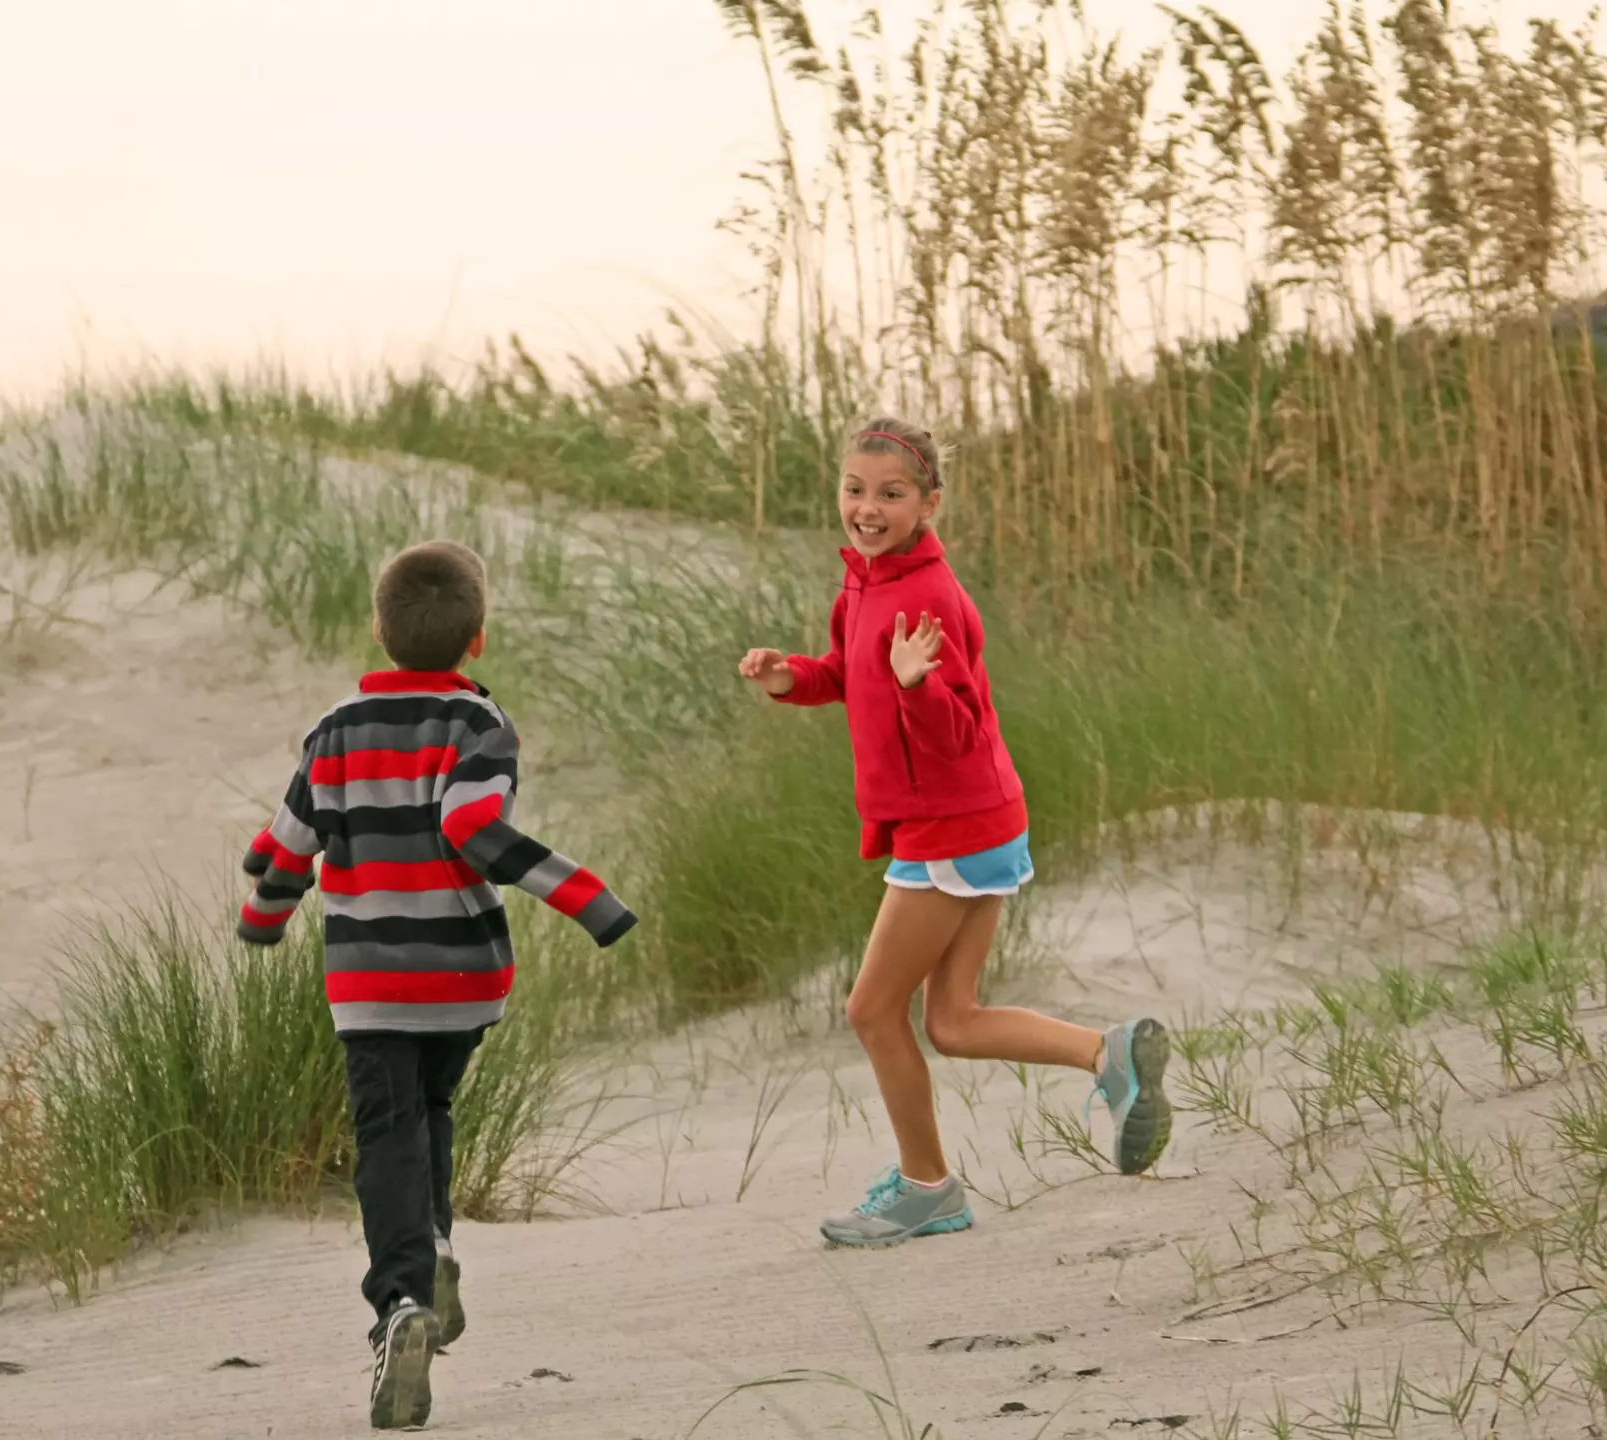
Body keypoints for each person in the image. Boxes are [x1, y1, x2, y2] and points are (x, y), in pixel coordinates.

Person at [737, 417, 1171, 1248]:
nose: (867, 508)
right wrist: (791, 675)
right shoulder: (863, 584)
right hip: (976, 820)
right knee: (954, 1022)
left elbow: (954, 728)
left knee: (870, 1010)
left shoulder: (928, 595)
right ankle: (1106, 1054)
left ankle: (927, 1187)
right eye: (855, 490)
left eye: (891, 494)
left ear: (930, 503)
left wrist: (914, 688)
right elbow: (848, 676)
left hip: (953, 823)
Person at [236, 539, 637, 1429]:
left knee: (385, 1134)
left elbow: (290, 842)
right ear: (479, 639)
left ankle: (400, 1306)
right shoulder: (482, 726)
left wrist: (260, 917)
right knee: (432, 1111)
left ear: (378, 630)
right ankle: (438, 1246)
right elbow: (475, 825)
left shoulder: (334, 731)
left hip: (370, 979)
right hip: (463, 977)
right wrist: (590, 902)